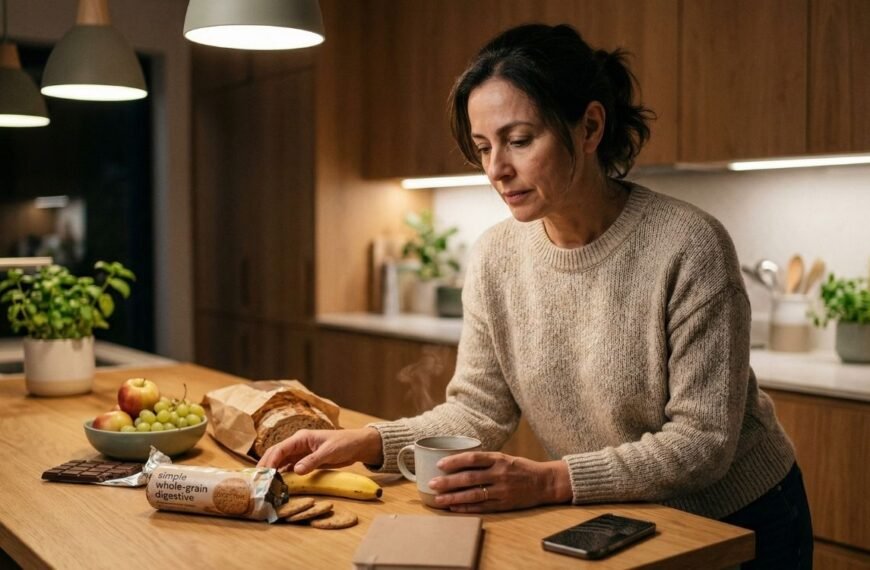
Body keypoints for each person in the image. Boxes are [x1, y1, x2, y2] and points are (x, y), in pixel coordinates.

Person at [259, 23, 813, 568]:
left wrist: (552, 479)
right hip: (620, 519)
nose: (497, 169)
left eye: (519, 140)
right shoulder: (496, 255)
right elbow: (479, 409)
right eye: (483, 147)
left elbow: (703, 442)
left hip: (741, 519)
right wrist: (369, 442)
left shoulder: (689, 244)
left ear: (590, 126)